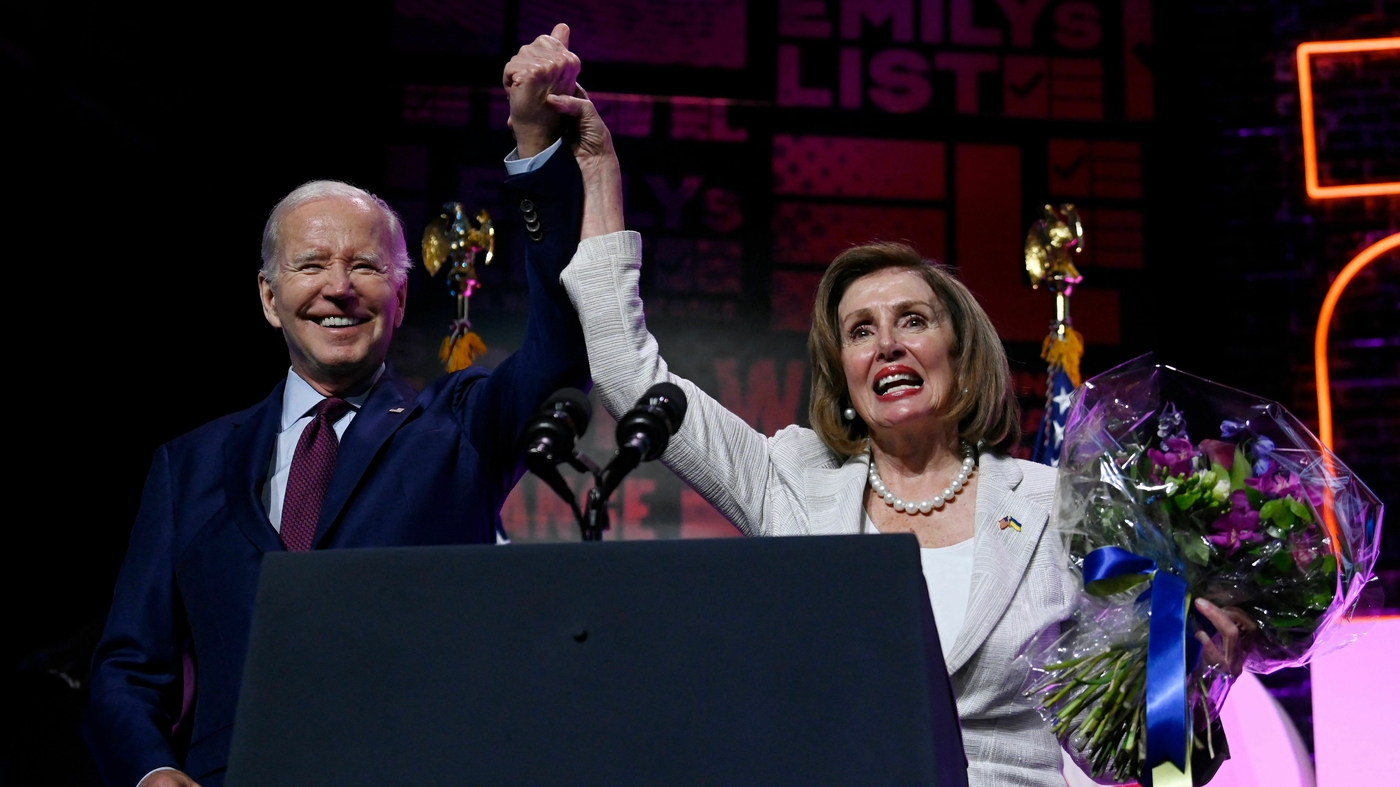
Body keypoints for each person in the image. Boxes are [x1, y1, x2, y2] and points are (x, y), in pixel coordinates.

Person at [525, 51, 1250, 787]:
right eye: (861, 331)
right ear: (843, 370)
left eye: (913, 320)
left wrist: (1189, 675)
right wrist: (599, 169)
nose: (888, 345)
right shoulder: (788, 481)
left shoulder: (1054, 505)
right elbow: (628, 373)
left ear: (959, 352)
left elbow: (1127, 759)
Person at [84, 25, 590, 787]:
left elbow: (563, 343)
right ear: (269, 297)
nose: (338, 287)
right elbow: (128, 664)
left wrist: (537, 147)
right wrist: (151, 769)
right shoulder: (188, 465)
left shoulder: (459, 429)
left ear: (401, 296)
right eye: (312, 263)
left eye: (365, 266)